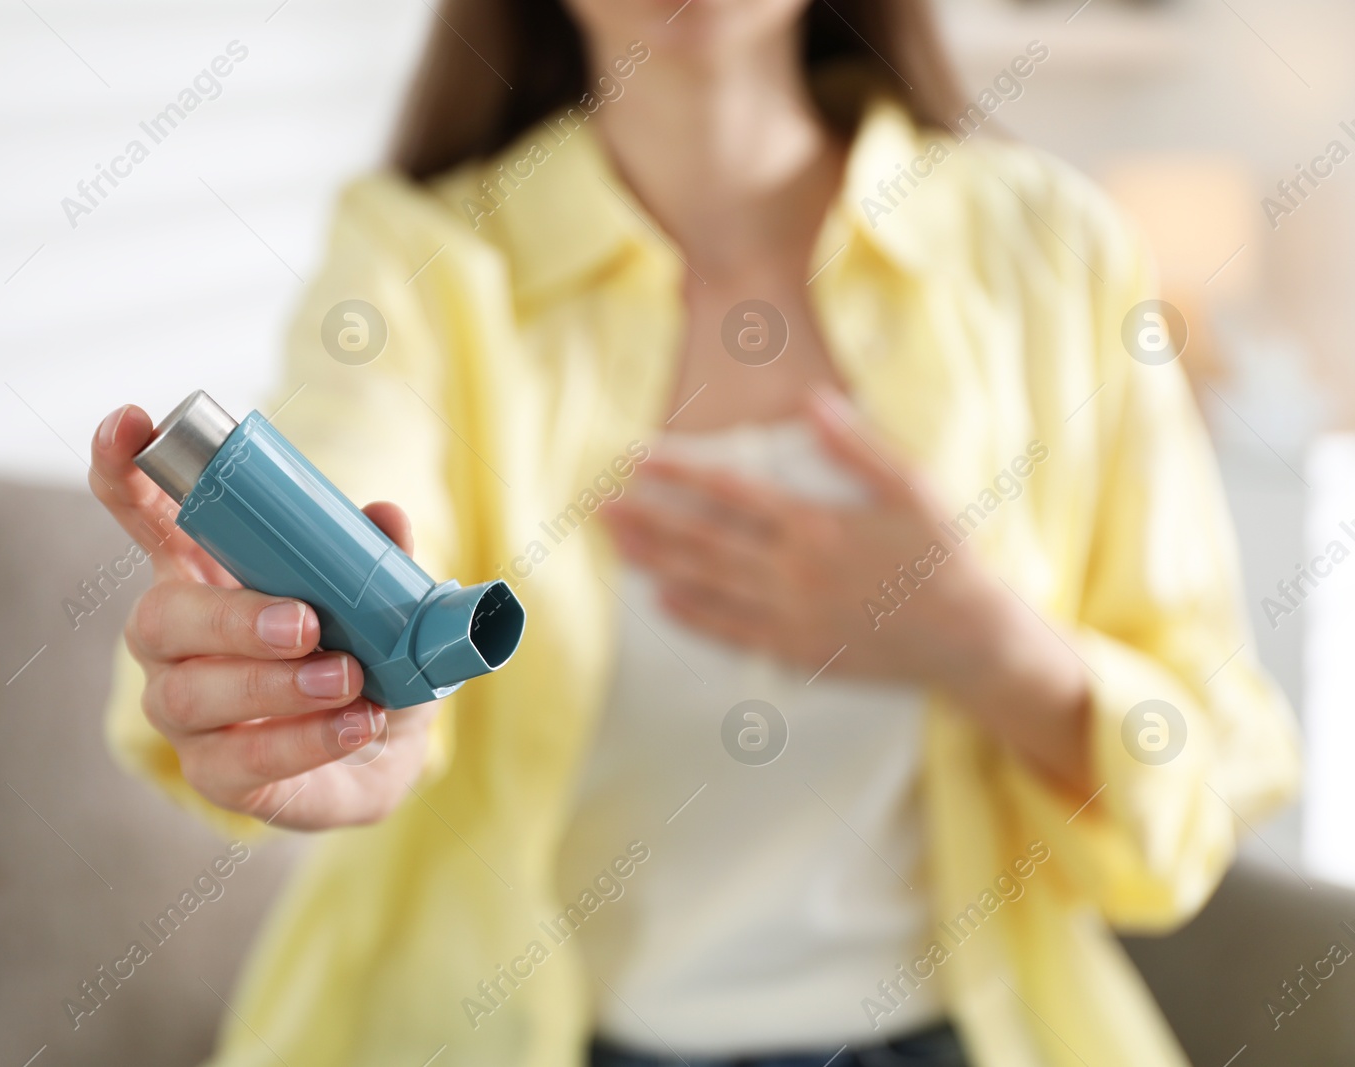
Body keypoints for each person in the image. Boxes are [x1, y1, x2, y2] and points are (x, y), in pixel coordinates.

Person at [89, 1, 1299, 1064]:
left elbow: (1217, 747)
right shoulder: (414, 258)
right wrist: (313, 691)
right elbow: (363, 473)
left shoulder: (1054, 248)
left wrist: (981, 644)